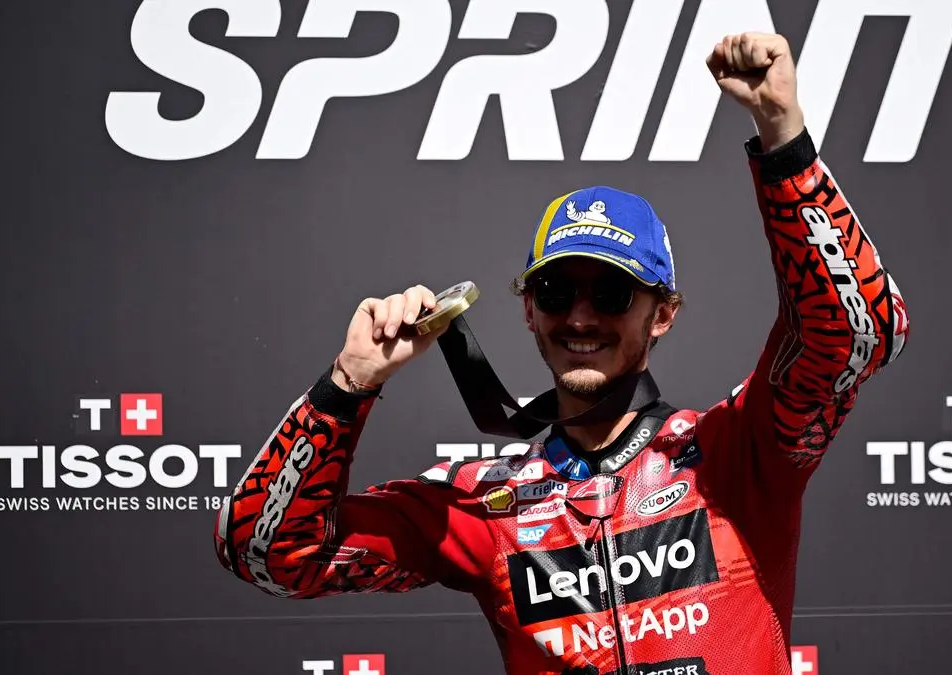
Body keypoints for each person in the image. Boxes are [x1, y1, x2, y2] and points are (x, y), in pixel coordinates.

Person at [214, 31, 910, 675]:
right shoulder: (486, 502)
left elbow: (860, 331)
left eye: (611, 293)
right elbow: (269, 554)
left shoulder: (734, 453)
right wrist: (348, 386)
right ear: (528, 311)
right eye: (554, 291)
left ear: (663, 314)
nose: (580, 315)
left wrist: (783, 138)